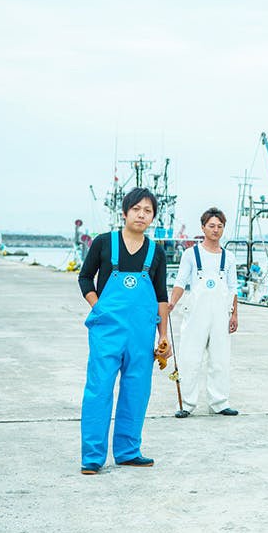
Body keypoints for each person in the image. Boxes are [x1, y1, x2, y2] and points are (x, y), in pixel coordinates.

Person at [77, 187, 170, 474]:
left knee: (136, 391)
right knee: (99, 389)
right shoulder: (104, 243)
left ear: (153, 217)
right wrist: (98, 308)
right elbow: (85, 278)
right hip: (107, 331)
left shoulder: (156, 252)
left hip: (142, 333)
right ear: (125, 212)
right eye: (136, 209)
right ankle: (92, 456)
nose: (141, 215)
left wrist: (163, 336)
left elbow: (161, 297)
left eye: (148, 211)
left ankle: (128, 451)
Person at [167, 208, 239, 418]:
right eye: (211, 226)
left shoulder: (229, 257)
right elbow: (180, 282)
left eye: (220, 226)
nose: (216, 230)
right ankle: (186, 404)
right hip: (196, 314)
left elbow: (233, 288)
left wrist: (234, 315)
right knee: (190, 358)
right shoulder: (191, 254)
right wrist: (172, 303)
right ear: (203, 227)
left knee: (220, 359)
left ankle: (219, 402)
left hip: (221, 314)